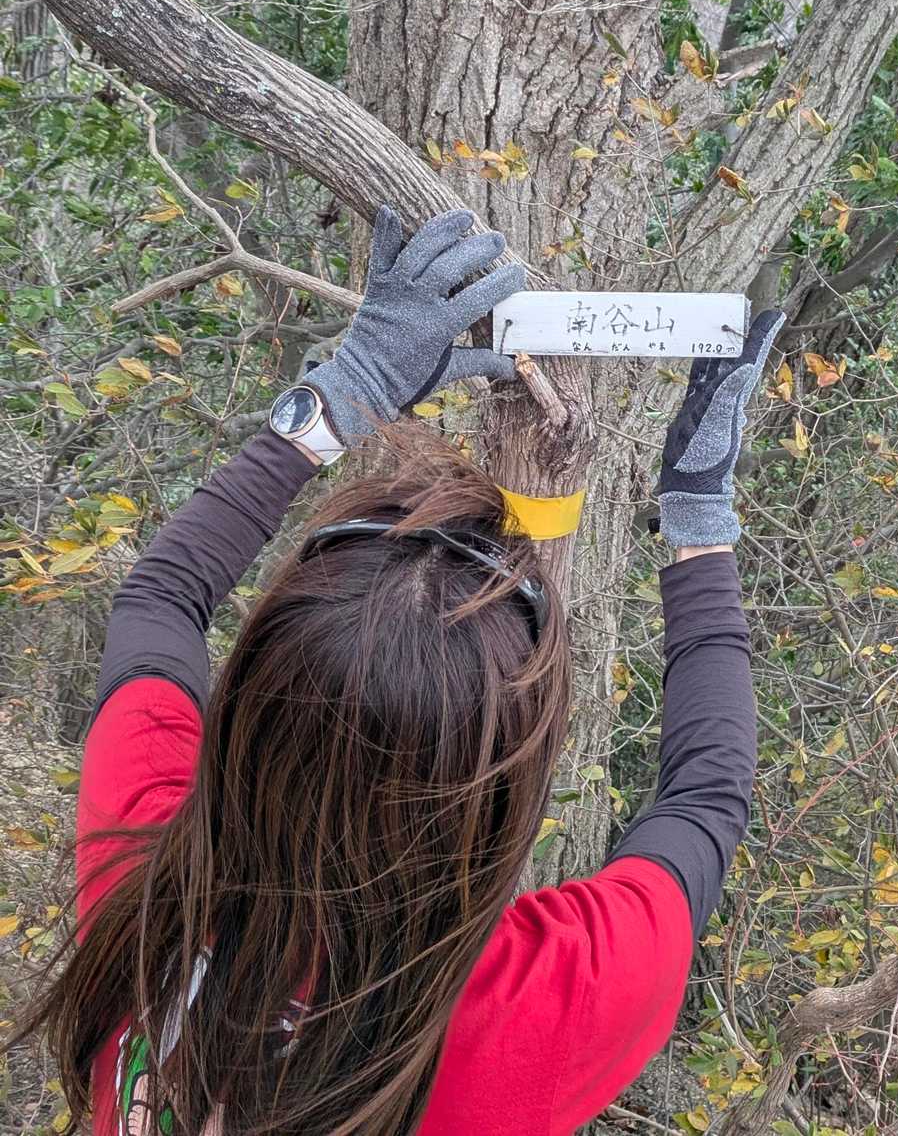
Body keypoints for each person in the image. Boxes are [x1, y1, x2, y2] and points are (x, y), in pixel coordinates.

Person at [11, 206, 783, 1136]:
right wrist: (697, 516)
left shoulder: (146, 883)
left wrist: (343, 395)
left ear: (249, 705)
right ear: (504, 788)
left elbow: (161, 600)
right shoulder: (550, 1000)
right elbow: (705, 797)